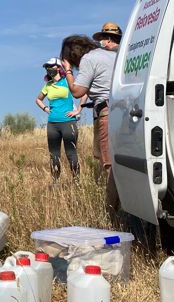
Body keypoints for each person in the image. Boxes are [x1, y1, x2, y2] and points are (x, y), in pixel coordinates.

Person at [61, 25, 121, 215]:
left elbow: (78, 91)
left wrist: (68, 71)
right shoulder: (114, 55)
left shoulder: (89, 59)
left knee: (109, 164)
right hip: (123, 110)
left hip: (106, 111)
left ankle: (111, 213)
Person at [36, 57, 80, 181]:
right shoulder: (48, 85)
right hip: (52, 124)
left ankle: (76, 181)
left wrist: (78, 110)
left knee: (71, 154)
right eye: (47, 67)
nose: (48, 69)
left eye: (51, 66)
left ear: (58, 67)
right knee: (54, 155)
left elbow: (84, 92)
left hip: (68, 123)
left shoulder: (67, 81)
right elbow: (38, 99)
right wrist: (45, 109)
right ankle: (56, 181)